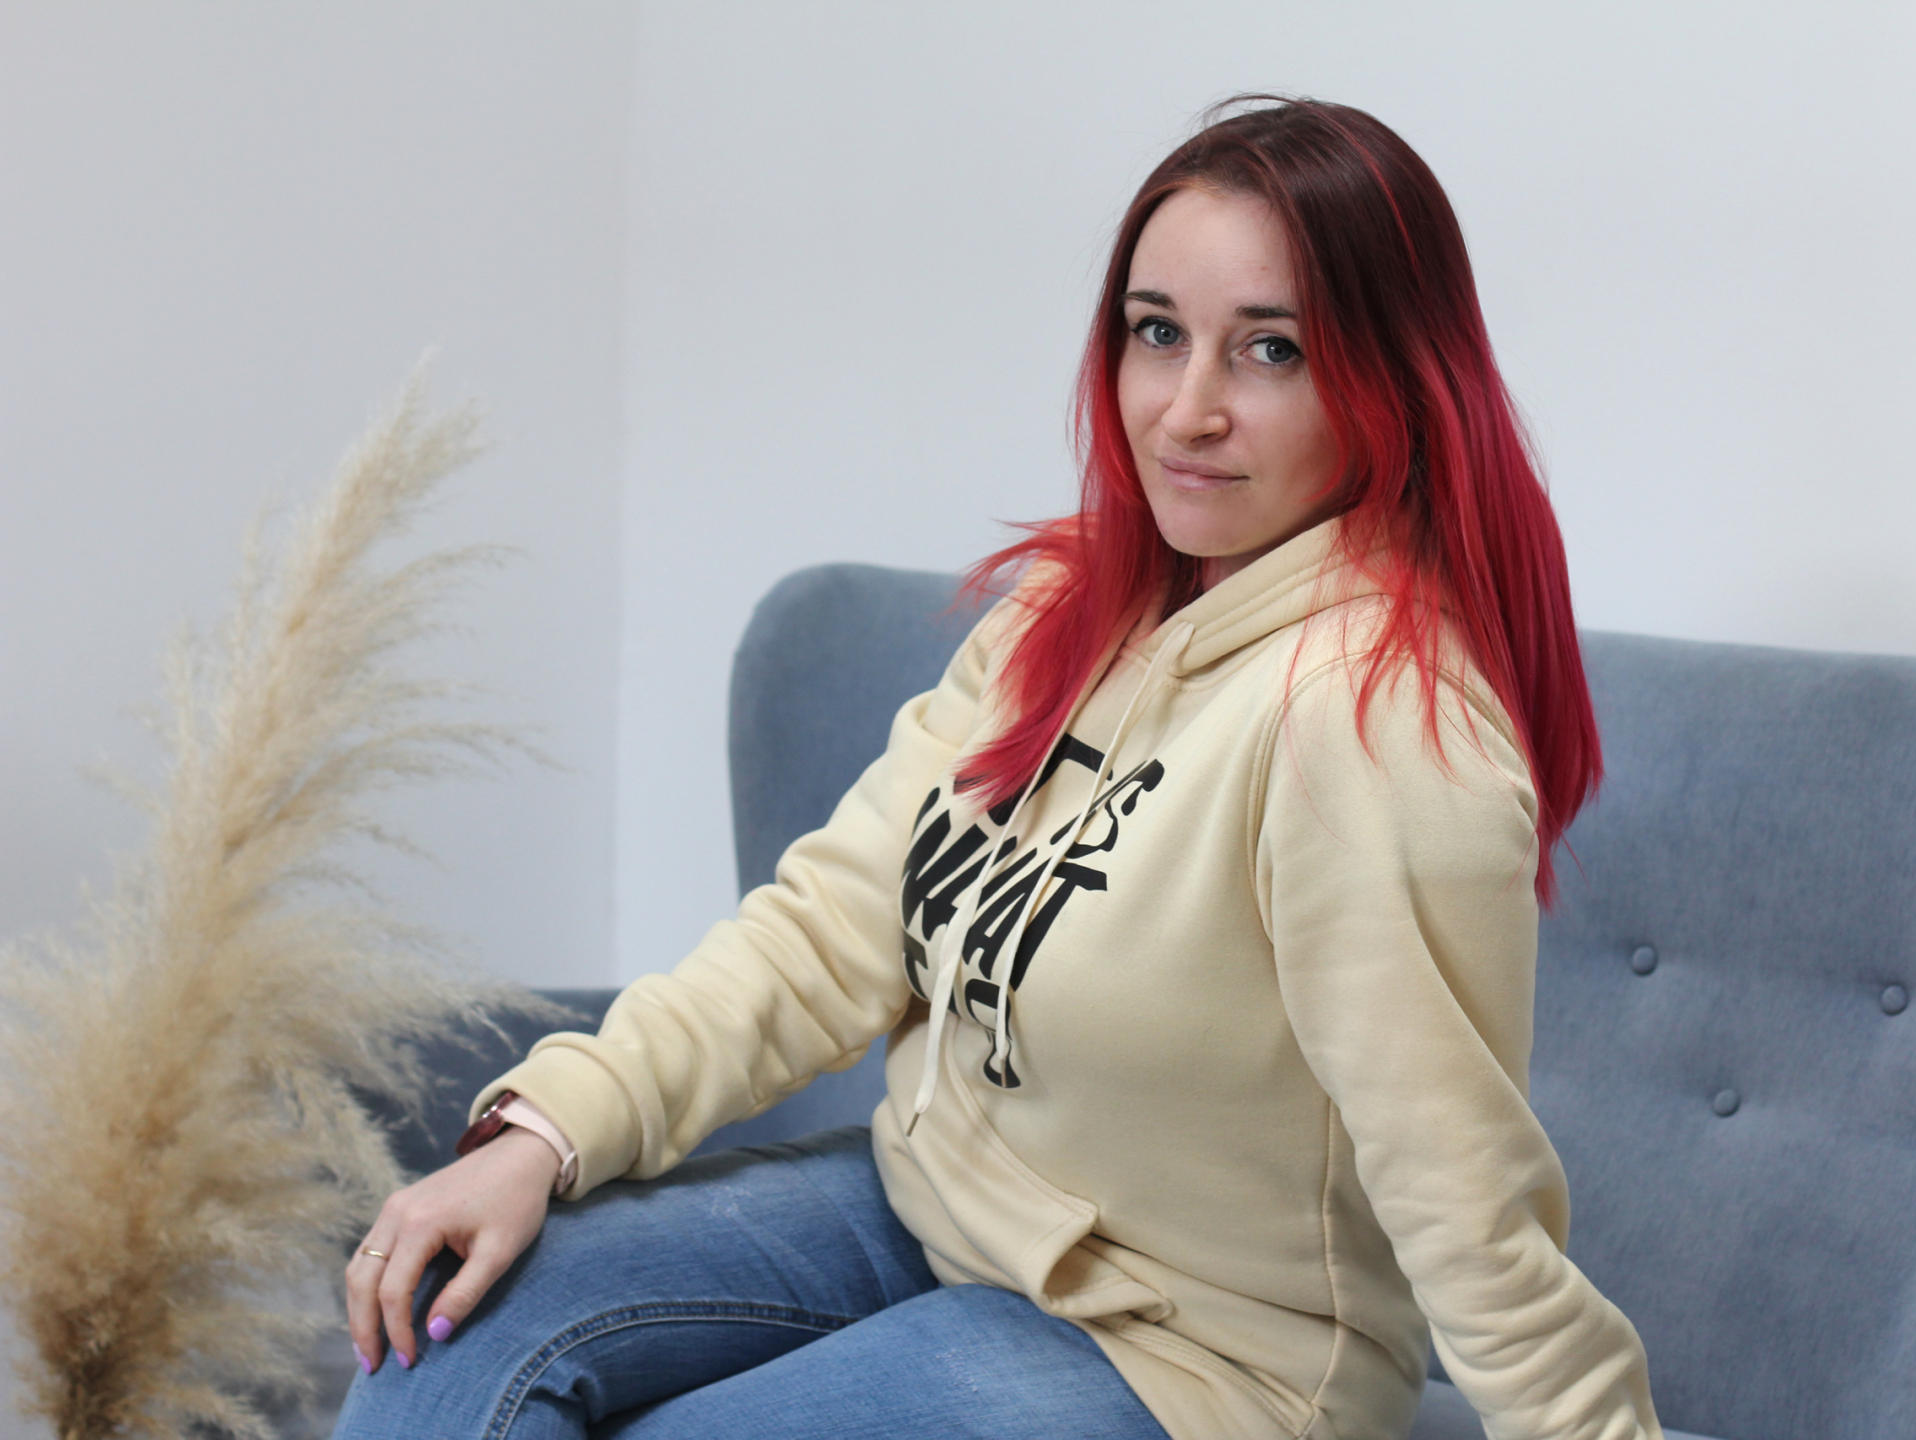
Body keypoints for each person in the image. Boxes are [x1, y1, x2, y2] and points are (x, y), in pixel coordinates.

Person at [334, 94, 1664, 1440]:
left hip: (1196, 1356)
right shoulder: (1069, 610)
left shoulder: (1375, 728)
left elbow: (1463, 1193)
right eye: (1158, 333)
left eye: (1271, 350)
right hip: (931, 1214)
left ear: (1393, 381)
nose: (1187, 410)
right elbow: (831, 928)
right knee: (446, 1328)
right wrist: (546, 1132)